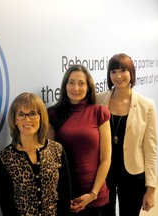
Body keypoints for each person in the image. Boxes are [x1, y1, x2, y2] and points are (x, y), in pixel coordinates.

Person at [96, 53, 157, 216]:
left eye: (123, 70)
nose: (118, 76)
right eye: (113, 71)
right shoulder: (98, 100)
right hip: (104, 172)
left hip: (133, 174)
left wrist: (151, 189)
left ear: (131, 72)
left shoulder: (146, 105)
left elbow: (150, 149)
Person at [47, 65, 112, 216]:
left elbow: (106, 158)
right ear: (65, 86)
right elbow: (50, 159)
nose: (76, 88)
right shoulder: (52, 114)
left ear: (89, 87)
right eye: (71, 82)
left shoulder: (99, 113)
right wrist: (62, 196)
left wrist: (92, 194)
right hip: (66, 194)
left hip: (95, 194)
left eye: (81, 83)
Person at [0, 92, 71, 216]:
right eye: (21, 114)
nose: (27, 119)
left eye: (32, 113)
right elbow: (6, 204)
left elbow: (65, 194)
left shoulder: (57, 150)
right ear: (15, 120)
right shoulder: (5, 157)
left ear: (41, 117)